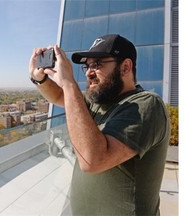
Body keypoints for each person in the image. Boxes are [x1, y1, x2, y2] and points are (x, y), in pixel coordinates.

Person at [29, 34, 170, 215]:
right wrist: (39, 78)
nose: (88, 72)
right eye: (87, 66)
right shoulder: (100, 99)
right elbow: (60, 96)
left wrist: (69, 83)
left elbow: (93, 160)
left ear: (125, 67)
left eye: (97, 64)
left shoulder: (146, 105)